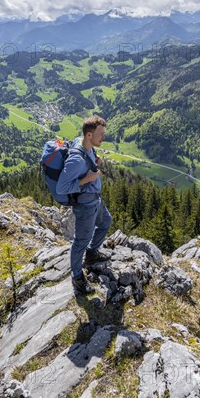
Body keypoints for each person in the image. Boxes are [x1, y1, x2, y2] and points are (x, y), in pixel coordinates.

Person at [56, 116, 112, 295]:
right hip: (85, 206)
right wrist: (86, 179)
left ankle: (92, 253)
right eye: (100, 134)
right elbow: (61, 187)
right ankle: (77, 276)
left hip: (96, 200)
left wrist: (95, 161)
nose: (103, 137)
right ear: (89, 135)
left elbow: (87, 163)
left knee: (105, 223)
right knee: (80, 241)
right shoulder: (76, 159)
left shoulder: (86, 146)